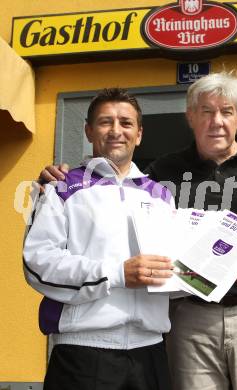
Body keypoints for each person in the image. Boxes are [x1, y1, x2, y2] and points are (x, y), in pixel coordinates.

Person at [39, 72, 237, 390]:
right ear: (191, 117)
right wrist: (59, 176)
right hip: (190, 319)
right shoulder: (162, 173)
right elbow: (116, 188)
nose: (217, 121)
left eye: (226, 112)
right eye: (206, 112)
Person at [23, 88, 175, 390]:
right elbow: (38, 264)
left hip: (151, 352)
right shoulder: (60, 187)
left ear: (139, 134)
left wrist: (220, 267)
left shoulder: (162, 195)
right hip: (84, 351)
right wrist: (117, 274)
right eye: (106, 122)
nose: (117, 130)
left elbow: (173, 270)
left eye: (126, 123)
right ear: (89, 131)